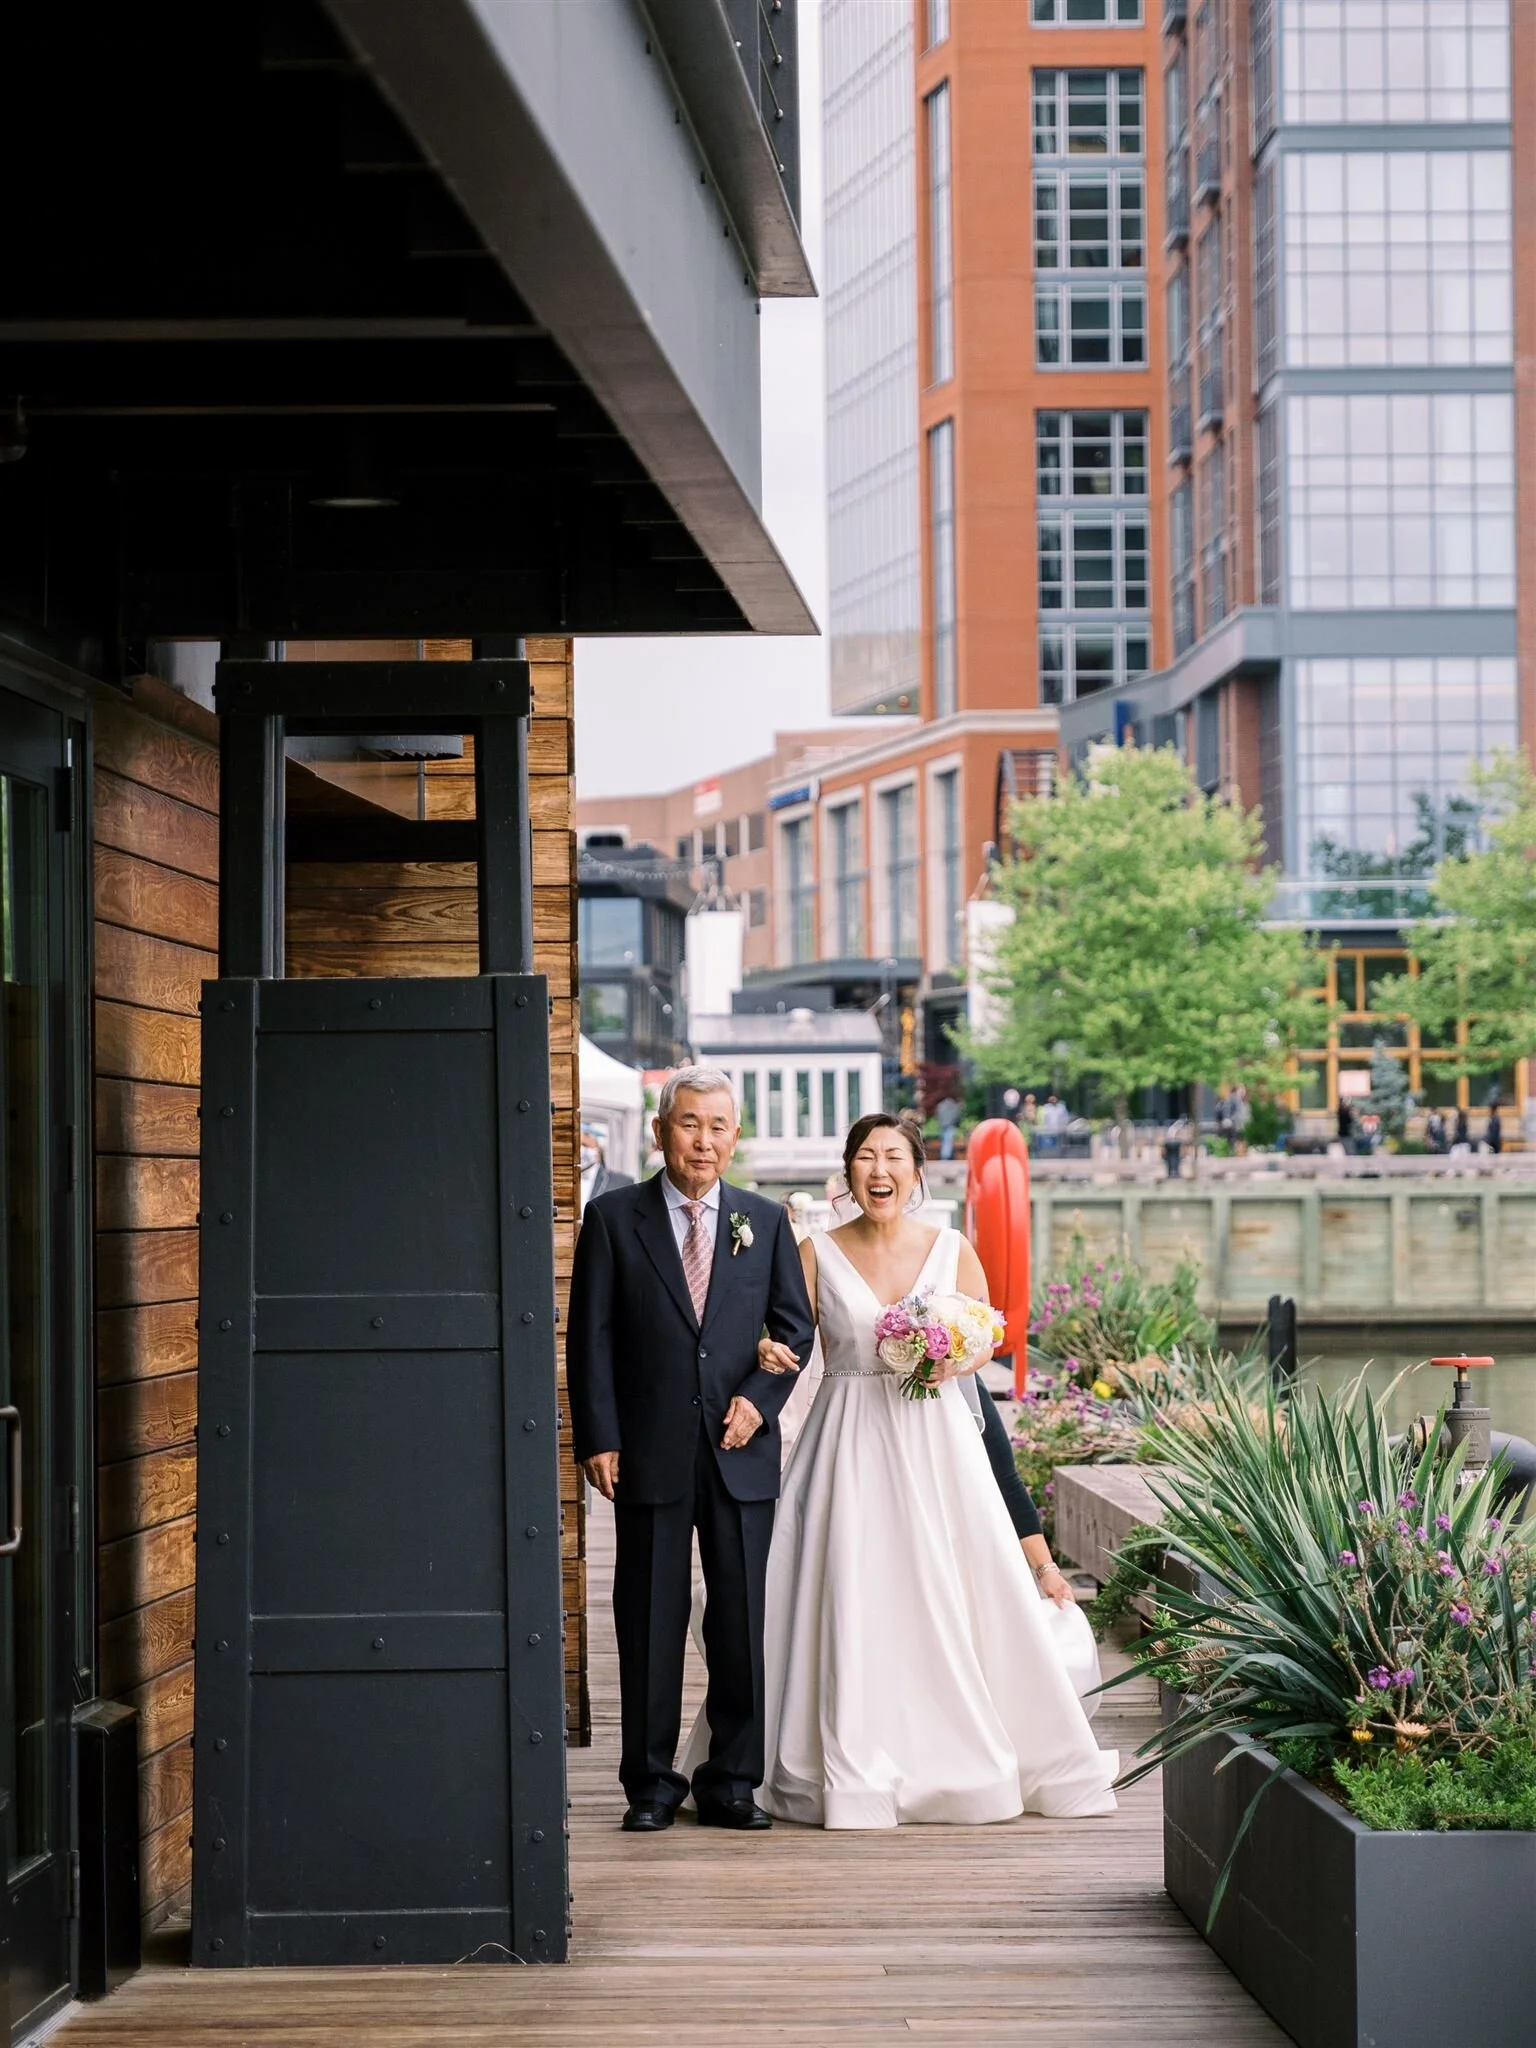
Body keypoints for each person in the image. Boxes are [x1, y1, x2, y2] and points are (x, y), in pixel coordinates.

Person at [754, 1110, 1118, 1827]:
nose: (878, 1170)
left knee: (952, 1593)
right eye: (865, 1157)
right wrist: (763, 1353)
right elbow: (786, 1337)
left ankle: (960, 1755)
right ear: (848, 1172)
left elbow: (984, 1340)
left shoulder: (953, 1250)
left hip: (937, 1442)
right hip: (847, 1444)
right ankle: (847, 1759)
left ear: (917, 1172)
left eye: (893, 1157)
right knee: (852, 1592)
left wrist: (953, 1354)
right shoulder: (812, 1252)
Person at [566, 1066, 816, 1834]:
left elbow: (795, 1331)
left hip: (740, 1454)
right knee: (647, 1617)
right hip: (647, 1450)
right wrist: (599, 1436)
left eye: (717, 1127)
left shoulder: (765, 1221)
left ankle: (732, 1781)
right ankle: (649, 1784)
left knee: (741, 1619)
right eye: (688, 1124)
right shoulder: (613, 1219)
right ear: (660, 1132)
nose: (702, 1140)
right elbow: (590, 1338)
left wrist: (759, 1402)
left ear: (734, 1139)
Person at [578, 1124, 633, 1213]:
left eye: (585, 1145)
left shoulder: (621, 1183)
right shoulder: (561, 1180)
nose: (580, 1150)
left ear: (599, 1148)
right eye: (576, 1146)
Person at [935, 1092, 962, 1162]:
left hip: (943, 1125)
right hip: (950, 1125)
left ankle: (945, 1156)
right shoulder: (952, 1105)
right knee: (948, 1141)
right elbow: (956, 1115)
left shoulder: (940, 1105)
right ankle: (946, 1157)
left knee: (945, 1141)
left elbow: (938, 1116)